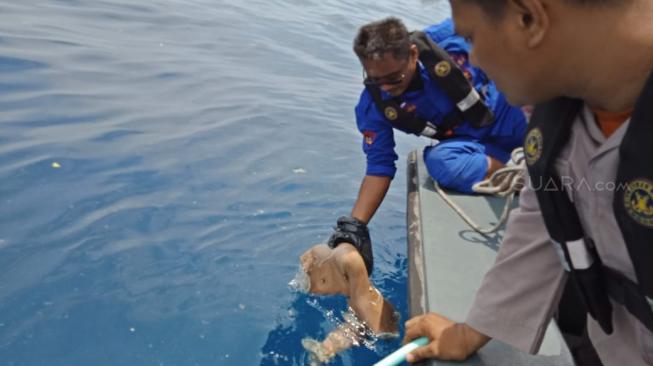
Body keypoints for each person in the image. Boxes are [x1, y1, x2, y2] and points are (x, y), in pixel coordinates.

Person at [402, 1, 653, 365]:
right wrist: (470, 331)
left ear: (528, 18)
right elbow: (546, 218)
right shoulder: (566, 113)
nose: (475, 60)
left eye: (471, 37)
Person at [326, 17, 526, 278]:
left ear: (412, 53)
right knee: (440, 162)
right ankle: (521, 173)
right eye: (376, 80)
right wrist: (354, 229)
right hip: (480, 148)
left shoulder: (444, 37)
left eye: (394, 79)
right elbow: (379, 167)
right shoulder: (373, 106)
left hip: (517, 111)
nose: (386, 89)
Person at [296, 243, 399, 363]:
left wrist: (325, 349)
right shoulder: (360, 294)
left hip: (383, 340)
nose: (309, 288)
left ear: (324, 281)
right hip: (384, 325)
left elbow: (351, 260)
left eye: (309, 277)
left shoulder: (361, 299)